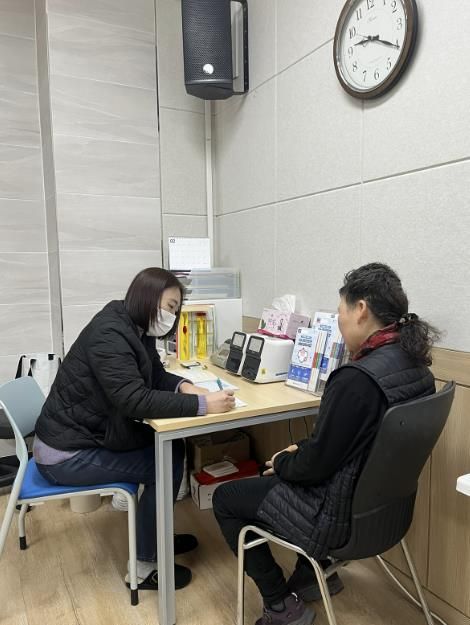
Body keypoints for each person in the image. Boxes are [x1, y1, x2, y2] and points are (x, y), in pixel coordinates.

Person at [212, 263, 439, 625]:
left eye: (340, 311)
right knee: (295, 460)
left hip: (336, 520)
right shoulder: (417, 368)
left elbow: (316, 466)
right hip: (389, 514)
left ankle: (281, 605)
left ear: (360, 309)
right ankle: (311, 577)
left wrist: (284, 462)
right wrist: (302, 450)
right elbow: (352, 443)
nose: (339, 321)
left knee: (227, 498)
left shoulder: (357, 379)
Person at [33, 267, 235, 591]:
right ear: (148, 298)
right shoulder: (110, 334)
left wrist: (185, 386)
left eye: (175, 309)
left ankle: (154, 537)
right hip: (65, 453)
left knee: (171, 448)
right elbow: (134, 400)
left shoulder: (134, 327)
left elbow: (154, 375)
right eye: (170, 307)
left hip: (87, 434)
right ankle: (143, 566)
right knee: (164, 460)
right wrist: (202, 405)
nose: (172, 316)